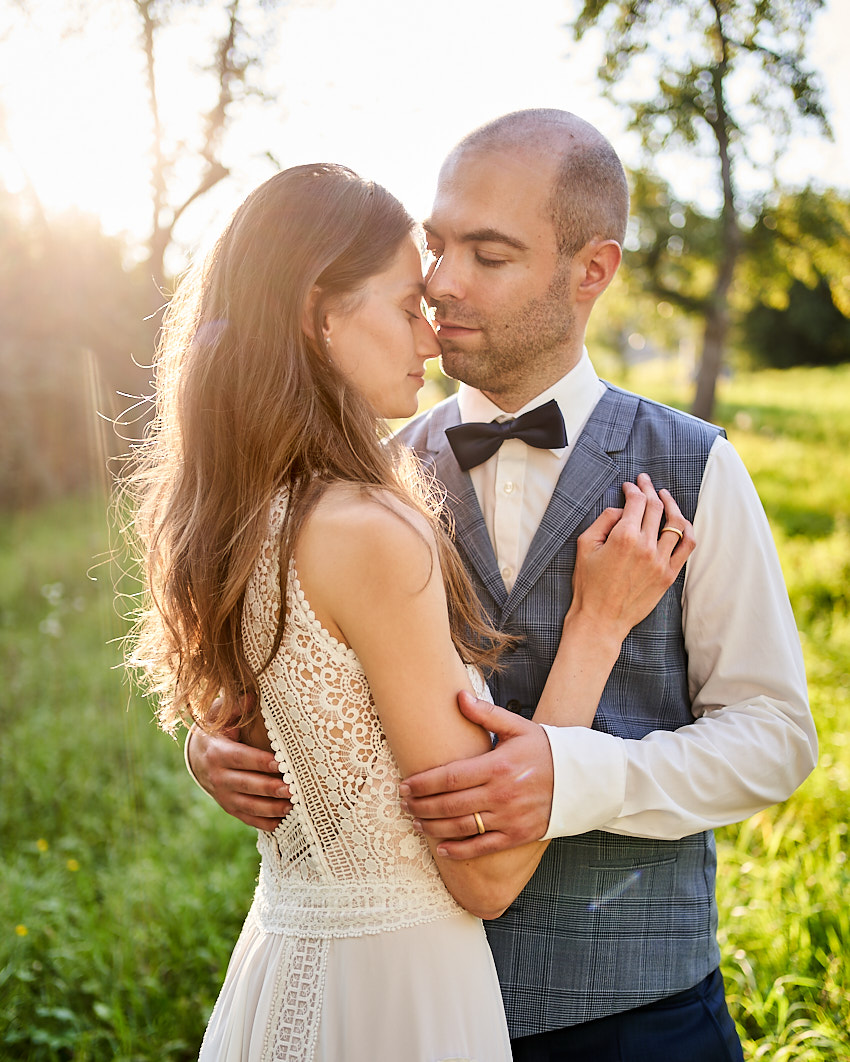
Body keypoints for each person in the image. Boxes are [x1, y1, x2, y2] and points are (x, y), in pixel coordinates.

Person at [187, 112, 817, 1061]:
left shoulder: (696, 467)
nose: (441, 283)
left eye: (489, 254)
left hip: (638, 1013)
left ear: (591, 271)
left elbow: (777, 739)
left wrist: (579, 778)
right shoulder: (368, 474)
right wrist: (219, 744)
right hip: (409, 1007)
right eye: (437, 246)